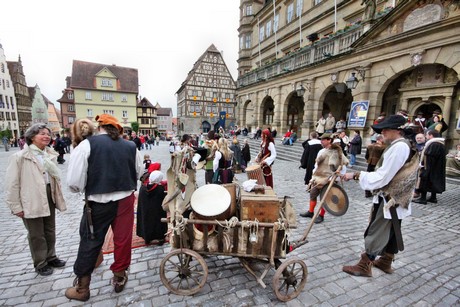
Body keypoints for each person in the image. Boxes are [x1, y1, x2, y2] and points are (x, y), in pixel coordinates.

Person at [65, 114, 143, 301]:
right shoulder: (131, 146)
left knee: (90, 239)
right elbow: (139, 172)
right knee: (123, 240)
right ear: (117, 129)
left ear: (100, 127)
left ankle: (82, 288)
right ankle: (119, 277)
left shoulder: (87, 145)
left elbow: (74, 182)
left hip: (98, 202)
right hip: (125, 200)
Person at [342, 114, 418, 277]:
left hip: (391, 199)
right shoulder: (403, 145)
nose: (382, 132)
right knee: (392, 231)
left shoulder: (399, 147)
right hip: (398, 198)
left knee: (377, 230)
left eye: (385, 129)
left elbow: (383, 177)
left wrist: (355, 175)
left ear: (397, 131)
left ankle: (364, 266)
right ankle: (385, 262)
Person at [5, 123, 67, 276]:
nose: (47, 136)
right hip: (30, 197)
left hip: (48, 194)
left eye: (48, 134)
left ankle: (51, 256)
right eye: (42, 134)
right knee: (36, 233)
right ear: (32, 137)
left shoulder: (48, 154)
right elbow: (12, 183)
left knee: (50, 229)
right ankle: (40, 262)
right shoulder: (20, 157)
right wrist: (16, 206)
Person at [300, 133, 348, 223]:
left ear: (329, 140)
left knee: (324, 198)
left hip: (329, 179)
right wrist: (314, 174)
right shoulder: (321, 151)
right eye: (321, 140)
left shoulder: (338, 152)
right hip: (318, 178)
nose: (321, 141)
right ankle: (310, 212)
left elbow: (343, 167)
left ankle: (321, 215)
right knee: (313, 195)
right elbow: (316, 164)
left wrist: (335, 178)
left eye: (323, 140)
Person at [413, 130, 446, 204]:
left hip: (429, 166)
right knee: (433, 181)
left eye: (427, 135)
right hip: (436, 167)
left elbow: (428, 156)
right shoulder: (440, 144)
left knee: (425, 180)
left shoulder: (433, 144)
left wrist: (424, 166)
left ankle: (423, 199)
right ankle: (433, 198)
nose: (426, 137)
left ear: (431, 135)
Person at [136, 170, 167, 245]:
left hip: (146, 211)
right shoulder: (160, 189)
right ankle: (160, 238)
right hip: (157, 212)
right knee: (158, 223)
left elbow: (141, 202)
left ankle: (147, 238)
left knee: (146, 222)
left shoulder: (143, 188)